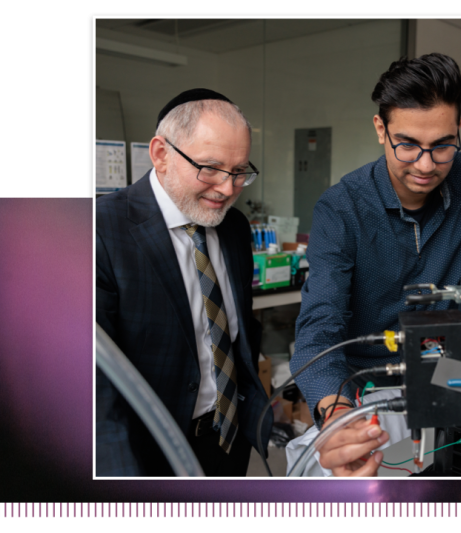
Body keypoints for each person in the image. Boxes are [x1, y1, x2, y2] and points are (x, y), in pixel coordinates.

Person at [290, 54, 461, 476]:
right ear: (380, 130)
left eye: (442, 146)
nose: (425, 164)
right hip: (362, 373)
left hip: (441, 358)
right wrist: (336, 416)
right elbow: (319, 328)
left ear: (458, 130)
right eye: (408, 145)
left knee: (455, 473)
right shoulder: (341, 208)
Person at [95, 89, 271, 476]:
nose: (227, 189)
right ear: (160, 154)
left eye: (240, 171)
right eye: (210, 168)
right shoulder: (100, 231)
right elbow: (94, 388)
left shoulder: (234, 226)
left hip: (228, 438)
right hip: (147, 453)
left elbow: (238, 328)